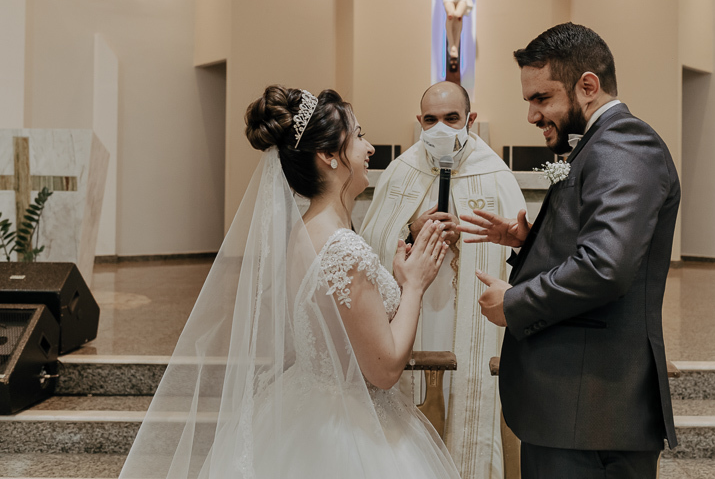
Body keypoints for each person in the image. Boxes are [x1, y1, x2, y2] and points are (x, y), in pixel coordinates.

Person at [119, 86, 461, 478]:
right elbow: (383, 371)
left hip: (304, 408)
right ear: (329, 156)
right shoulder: (342, 249)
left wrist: (399, 280)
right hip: (348, 433)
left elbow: (341, 334)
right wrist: (414, 285)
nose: (369, 149)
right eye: (360, 136)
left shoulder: (304, 232)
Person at [460, 23, 680, 479]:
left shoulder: (624, 144)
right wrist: (533, 240)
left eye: (542, 98)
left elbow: (605, 266)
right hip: (575, 411)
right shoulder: (600, 145)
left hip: (592, 411)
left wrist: (515, 302)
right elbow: (597, 241)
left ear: (587, 86)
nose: (532, 115)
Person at [360, 81, 526, 479]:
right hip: (413, 319)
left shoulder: (495, 174)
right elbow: (368, 247)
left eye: (451, 119)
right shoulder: (402, 170)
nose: (440, 128)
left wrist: (465, 240)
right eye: (430, 120)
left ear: (470, 120)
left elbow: (518, 254)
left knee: (467, 398)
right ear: (419, 121)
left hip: (468, 319)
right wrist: (413, 230)